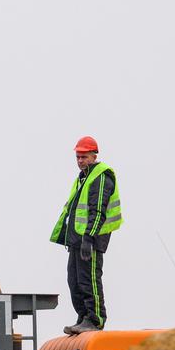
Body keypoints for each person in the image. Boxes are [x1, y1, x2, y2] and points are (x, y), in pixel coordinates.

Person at [49, 135, 122, 334]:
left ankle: (95, 319)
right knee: (74, 281)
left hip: (89, 240)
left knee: (89, 279)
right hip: (77, 241)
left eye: (84, 157)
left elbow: (98, 210)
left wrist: (88, 239)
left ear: (94, 155)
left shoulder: (100, 176)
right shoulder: (83, 178)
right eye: (78, 157)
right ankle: (83, 317)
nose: (80, 160)